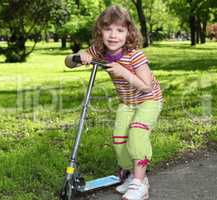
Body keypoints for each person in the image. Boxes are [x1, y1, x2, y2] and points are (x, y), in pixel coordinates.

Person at [65, 5, 163, 200]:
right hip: (127, 102)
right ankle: (131, 175)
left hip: (149, 100)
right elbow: (67, 62)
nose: (113, 35)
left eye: (120, 30)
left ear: (129, 33)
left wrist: (123, 72)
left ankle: (140, 183)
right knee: (119, 140)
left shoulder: (135, 55)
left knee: (137, 134)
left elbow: (146, 87)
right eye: (108, 29)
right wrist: (78, 57)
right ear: (100, 31)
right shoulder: (99, 50)